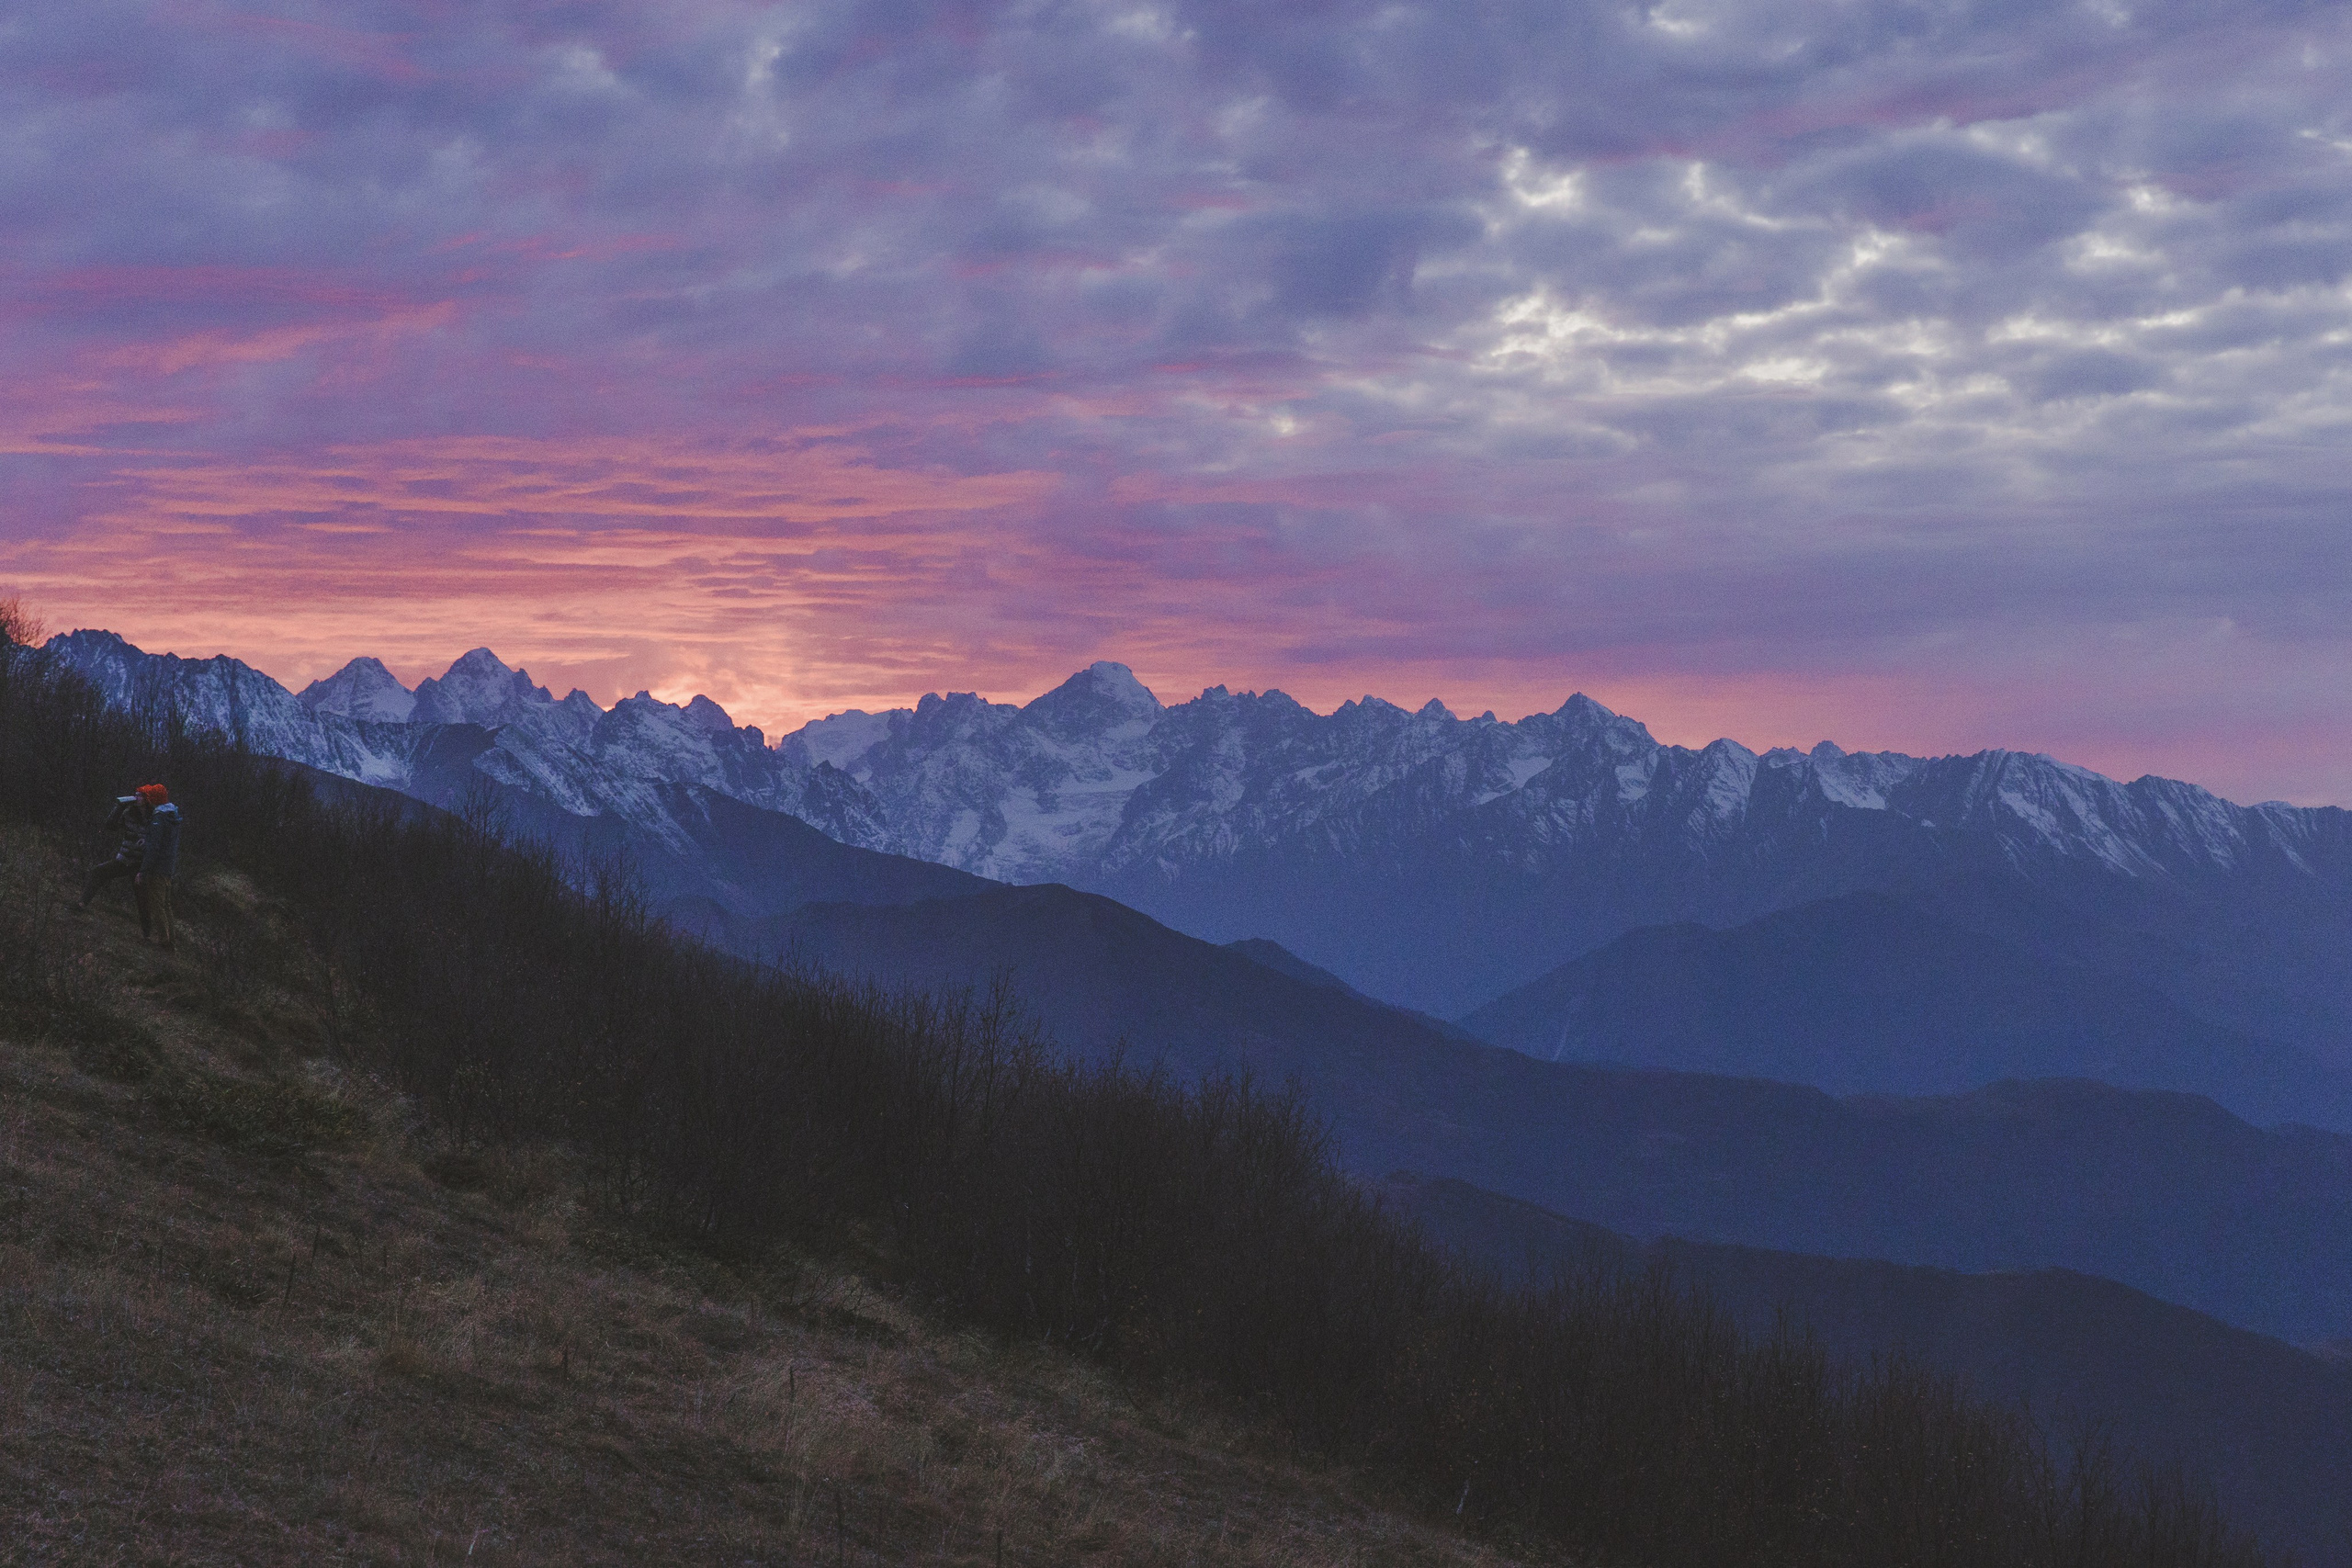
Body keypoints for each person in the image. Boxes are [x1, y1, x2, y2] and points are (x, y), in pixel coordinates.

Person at [131, 783, 181, 950]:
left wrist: (143, 871)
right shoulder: (172, 815)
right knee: (166, 905)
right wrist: (148, 842)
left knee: (158, 904)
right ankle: (170, 941)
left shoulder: (159, 817)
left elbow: (155, 848)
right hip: (168, 867)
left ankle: (164, 942)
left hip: (158, 868)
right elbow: (162, 843)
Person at [80, 791, 151, 908]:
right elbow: (110, 825)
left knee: (142, 897)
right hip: (124, 860)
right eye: (136, 794)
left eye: (141, 795)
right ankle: (81, 904)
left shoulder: (154, 817)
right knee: (98, 872)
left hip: (140, 865)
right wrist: (119, 807)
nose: (137, 797)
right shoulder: (129, 813)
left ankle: (148, 923)